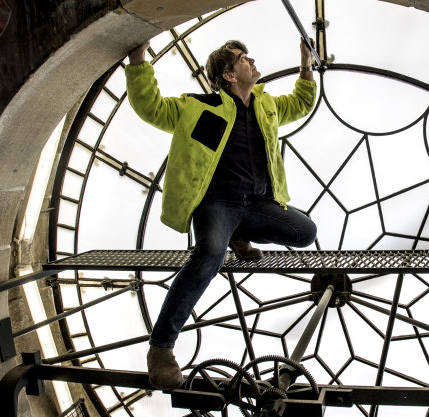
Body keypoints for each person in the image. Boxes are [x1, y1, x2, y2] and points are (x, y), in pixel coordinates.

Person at [125, 38, 318, 390]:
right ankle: (161, 348)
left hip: (258, 203)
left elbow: (302, 102)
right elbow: (150, 106)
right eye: (244, 59)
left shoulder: (267, 107)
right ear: (228, 74)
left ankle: (239, 236)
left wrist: (306, 64)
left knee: (304, 232)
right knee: (209, 255)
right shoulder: (197, 108)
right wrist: (138, 61)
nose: (252, 61)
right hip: (218, 203)